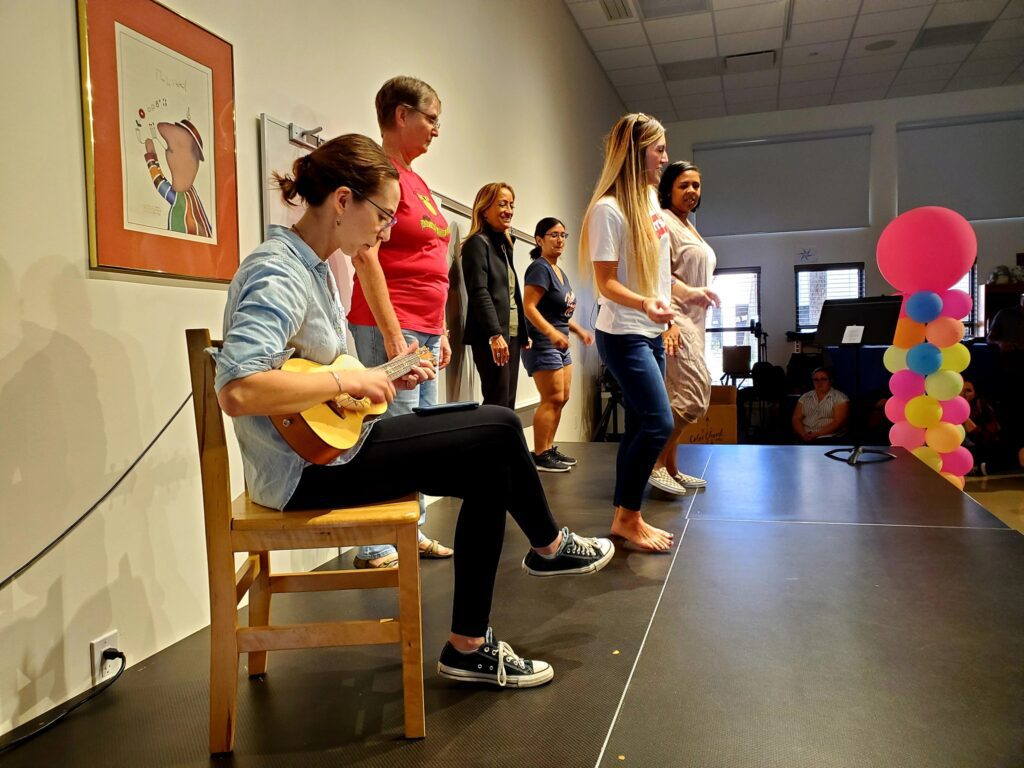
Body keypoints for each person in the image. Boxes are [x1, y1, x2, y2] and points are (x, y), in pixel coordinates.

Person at [212, 134, 614, 688]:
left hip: (334, 448)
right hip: (303, 473)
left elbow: (313, 379)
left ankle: (468, 645)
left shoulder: (317, 269)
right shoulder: (277, 270)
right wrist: (352, 377)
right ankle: (546, 546)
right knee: (498, 425)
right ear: (343, 201)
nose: (386, 228)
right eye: (383, 214)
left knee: (488, 465)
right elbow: (237, 388)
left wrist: (384, 374)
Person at [345, 76, 453, 568]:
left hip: (425, 329)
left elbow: (434, 259)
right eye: (430, 118)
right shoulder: (380, 173)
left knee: (421, 439)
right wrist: (394, 337)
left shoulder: (420, 183)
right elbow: (366, 255)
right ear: (401, 115)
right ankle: (374, 542)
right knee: (388, 433)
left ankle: (408, 530)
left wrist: (442, 330)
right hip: (390, 324)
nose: (435, 129)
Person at [579, 113, 695, 553]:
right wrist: (645, 304)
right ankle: (628, 516)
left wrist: (674, 304)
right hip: (623, 333)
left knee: (638, 426)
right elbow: (606, 282)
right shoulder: (608, 209)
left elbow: (658, 271)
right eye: (659, 149)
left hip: (649, 331)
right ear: (635, 152)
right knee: (658, 422)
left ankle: (624, 516)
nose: (665, 158)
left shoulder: (649, 199)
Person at [648, 161, 720, 496]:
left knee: (679, 395)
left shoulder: (689, 226)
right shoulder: (662, 221)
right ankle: (655, 464)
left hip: (696, 321)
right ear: (668, 189)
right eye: (684, 185)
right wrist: (669, 322)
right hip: (675, 319)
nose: (692, 191)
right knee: (693, 396)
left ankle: (671, 467)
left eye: (696, 185)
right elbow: (656, 275)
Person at [521, 217, 593, 472]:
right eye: (553, 234)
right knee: (550, 398)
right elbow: (529, 307)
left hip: (560, 342)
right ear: (539, 240)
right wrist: (551, 334)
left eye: (563, 234)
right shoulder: (539, 268)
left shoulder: (559, 271)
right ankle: (539, 453)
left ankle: (549, 448)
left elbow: (560, 314)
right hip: (543, 343)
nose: (560, 239)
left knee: (562, 397)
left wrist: (578, 330)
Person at [461, 183, 528, 409]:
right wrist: (494, 334)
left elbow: (511, 294)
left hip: (512, 334)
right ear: (484, 209)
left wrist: (523, 332)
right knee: (497, 403)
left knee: (507, 403)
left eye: (511, 205)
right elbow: (479, 292)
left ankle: (504, 446)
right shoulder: (477, 244)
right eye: (502, 204)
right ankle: (490, 445)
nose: (509, 210)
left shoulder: (503, 246)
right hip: (493, 336)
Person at [792, 368, 849, 442]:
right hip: (804, 435)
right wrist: (803, 434)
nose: (819, 383)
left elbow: (838, 423)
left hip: (828, 437)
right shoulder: (805, 397)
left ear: (831, 381)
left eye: (823, 379)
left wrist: (815, 434)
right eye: (816, 380)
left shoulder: (840, 398)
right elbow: (796, 418)